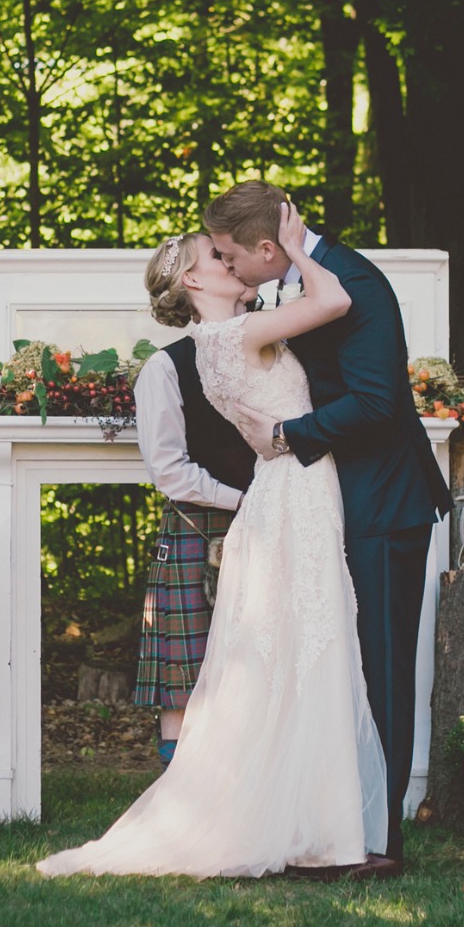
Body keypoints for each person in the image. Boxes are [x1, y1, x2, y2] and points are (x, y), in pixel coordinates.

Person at [36, 207, 387, 879]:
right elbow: (336, 298)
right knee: (311, 647)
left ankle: (318, 827)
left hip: (291, 491)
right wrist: (295, 245)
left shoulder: (227, 338)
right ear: (193, 276)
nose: (232, 260)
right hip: (286, 493)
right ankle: (321, 833)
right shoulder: (230, 338)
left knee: (303, 651)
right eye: (219, 256)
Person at [204, 180, 453, 870]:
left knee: (383, 669)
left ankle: (381, 840)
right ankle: (339, 821)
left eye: (228, 256)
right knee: (342, 664)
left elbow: (376, 403)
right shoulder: (297, 281)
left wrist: (287, 434)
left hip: (384, 502)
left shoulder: (357, 284)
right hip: (341, 500)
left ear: (265, 248)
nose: (225, 267)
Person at [133, 316, 255, 768]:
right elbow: (168, 471)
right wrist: (241, 500)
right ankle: (176, 796)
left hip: (272, 518)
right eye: (217, 258)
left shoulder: (272, 348)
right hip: (200, 524)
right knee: (185, 672)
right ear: (192, 279)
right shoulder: (166, 367)